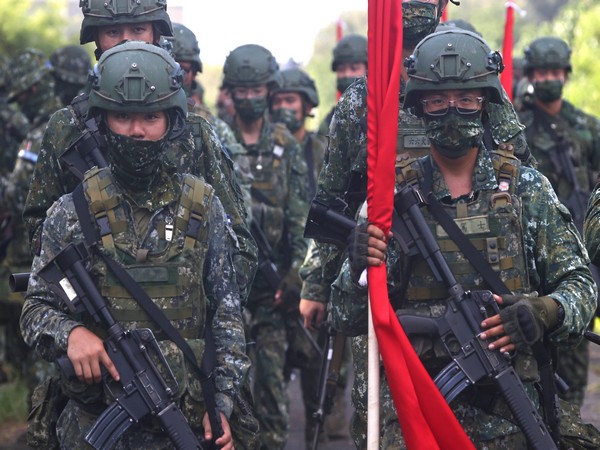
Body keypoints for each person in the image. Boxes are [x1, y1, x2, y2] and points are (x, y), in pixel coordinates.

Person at [331, 28, 599, 449]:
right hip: (418, 415)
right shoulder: (389, 202)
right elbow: (346, 318)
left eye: (466, 99)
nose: (452, 111)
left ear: (485, 104)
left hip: (511, 410)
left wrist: (545, 311)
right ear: (418, 107)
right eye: (437, 101)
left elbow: (581, 286)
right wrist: (357, 268)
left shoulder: (526, 189)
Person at [20, 41, 248, 450]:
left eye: (150, 116)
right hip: (92, 426)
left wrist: (224, 405)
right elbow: (35, 307)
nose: (137, 130)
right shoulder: (72, 212)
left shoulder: (203, 206)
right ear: (103, 120)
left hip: (187, 421)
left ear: (172, 121)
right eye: (123, 116)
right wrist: (70, 333)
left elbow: (226, 318)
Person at [23, 0, 257, 305]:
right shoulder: (67, 127)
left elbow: (239, 248)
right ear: (95, 38)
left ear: (157, 34)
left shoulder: (193, 129)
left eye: (138, 29)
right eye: (112, 31)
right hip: (98, 323)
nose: (126, 40)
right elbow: (40, 238)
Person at [222, 43, 310, 449]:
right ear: (230, 92)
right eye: (243, 90)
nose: (250, 98)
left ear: (270, 90)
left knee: (272, 388)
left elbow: (300, 218)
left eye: (258, 90)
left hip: (272, 292)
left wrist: (296, 274)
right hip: (225, 292)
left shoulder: (285, 145)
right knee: (228, 391)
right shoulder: (217, 139)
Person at [518, 36, 600, 409]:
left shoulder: (586, 126)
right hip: (539, 254)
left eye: (555, 71)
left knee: (578, 349)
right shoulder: (519, 127)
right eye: (542, 72)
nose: (549, 78)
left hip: (583, 251)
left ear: (565, 75)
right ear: (532, 74)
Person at [0, 48, 62, 391]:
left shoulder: (45, 131)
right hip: (49, 252)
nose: (19, 103)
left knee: (41, 349)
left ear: (33, 90)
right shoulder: (61, 120)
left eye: (20, 95)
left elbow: (15, 194)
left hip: (43, 254)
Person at [317, 33, 367, 136]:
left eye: (354, 68)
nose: (347, 74)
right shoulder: (331, 120)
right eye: (341, 69)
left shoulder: (384, 112)